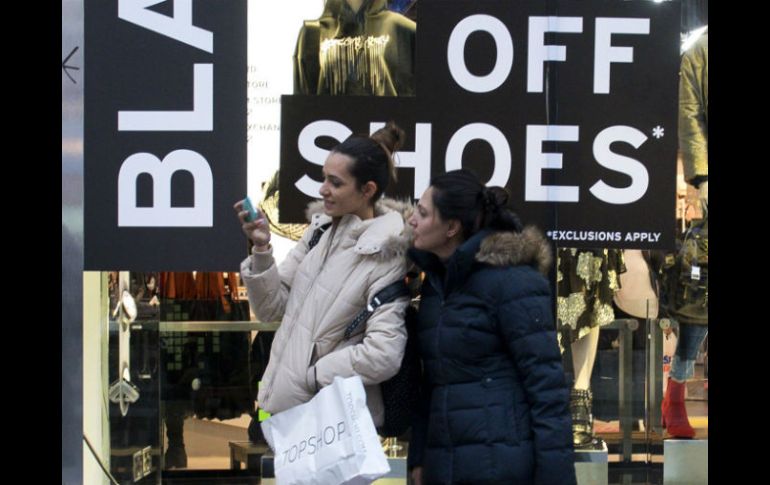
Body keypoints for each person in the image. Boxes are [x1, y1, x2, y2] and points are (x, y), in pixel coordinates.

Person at [235, 121, 413, 428]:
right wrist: (262, 248)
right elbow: (271, 310)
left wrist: (314, 374)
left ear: (367, 190)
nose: (323, 189)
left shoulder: (385, 254)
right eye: (323, 179)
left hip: (332, 424)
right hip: (290, 414)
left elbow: (384, 354)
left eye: (335, 182)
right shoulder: (319, 233)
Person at [406, 169, 576, 485]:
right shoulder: (437, 284)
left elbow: (547, 391)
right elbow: (433, 381)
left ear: (451, 228)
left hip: (501, 465)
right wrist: (419, 456)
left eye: (423, 212)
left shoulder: (514, 281)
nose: (411, 219)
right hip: (445, 464)